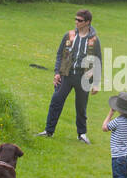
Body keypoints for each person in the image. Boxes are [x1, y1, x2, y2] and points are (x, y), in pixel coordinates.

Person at [38, 9, 102, 143]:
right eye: (75, 19)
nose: (76, 22)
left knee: (81, 107)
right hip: (66, 74)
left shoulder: (94, 40)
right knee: (56, 101)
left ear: (87, 22)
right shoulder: (69, 35)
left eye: (79, 20)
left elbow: (98, 61)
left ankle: (82, 134)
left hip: (84, 77)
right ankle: (49, 131)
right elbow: (60, 54)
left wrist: (96, 83)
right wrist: (57, 72)